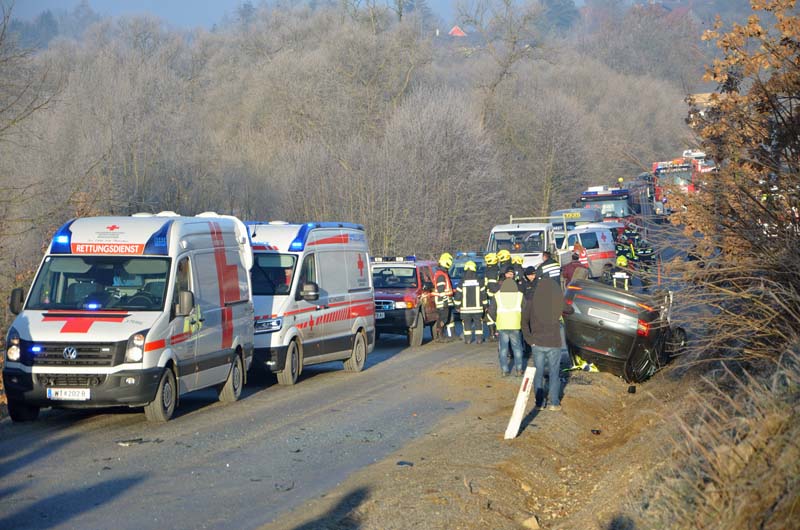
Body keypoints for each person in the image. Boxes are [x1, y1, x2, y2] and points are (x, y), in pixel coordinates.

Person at [521, 275, 565, 411]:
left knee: (538, 373)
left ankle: (539, 403)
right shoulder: (556, 301)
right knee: (554, 373)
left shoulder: (531, 302)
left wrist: (529, 340)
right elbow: (570, 310)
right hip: (553, 343)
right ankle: (554, 403)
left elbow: (523, 322)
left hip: (537, 343)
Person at [493, 265, 524, 377]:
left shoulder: (497, 296)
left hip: (502, 325)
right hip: (515, 324)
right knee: (517, 348)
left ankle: (504, 370)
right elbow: (524, 310)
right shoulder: (520, 295)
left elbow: (491, 311)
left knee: (503, 349)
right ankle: (519, 369)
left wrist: (496, 320)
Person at [454, 261, 488, 344]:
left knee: (466, 325)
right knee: (478, 323)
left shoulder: (462, 281)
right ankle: (479, 339)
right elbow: (483, 294)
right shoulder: (479, 280)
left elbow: (458, 295)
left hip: (465, 309)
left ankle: (468, 340)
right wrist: (485, 305)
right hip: (478, 308)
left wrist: (457, 306)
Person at [433, 252, 456, 342]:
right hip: (442, 301)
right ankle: (440, 336)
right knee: (443, 318)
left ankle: (452, 335)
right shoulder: (441, 275)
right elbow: (441, 290)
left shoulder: (443, 273)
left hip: (446, 301)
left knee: (450, 318)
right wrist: (445, 300)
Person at [483, 252, 500, 342]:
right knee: (494, 315)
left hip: (492, 297)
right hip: (494, 296)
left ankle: (493, 333)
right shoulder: (495, 269)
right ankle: (494, 333)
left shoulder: (491, 271)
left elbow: (491, 286)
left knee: (491, 315)